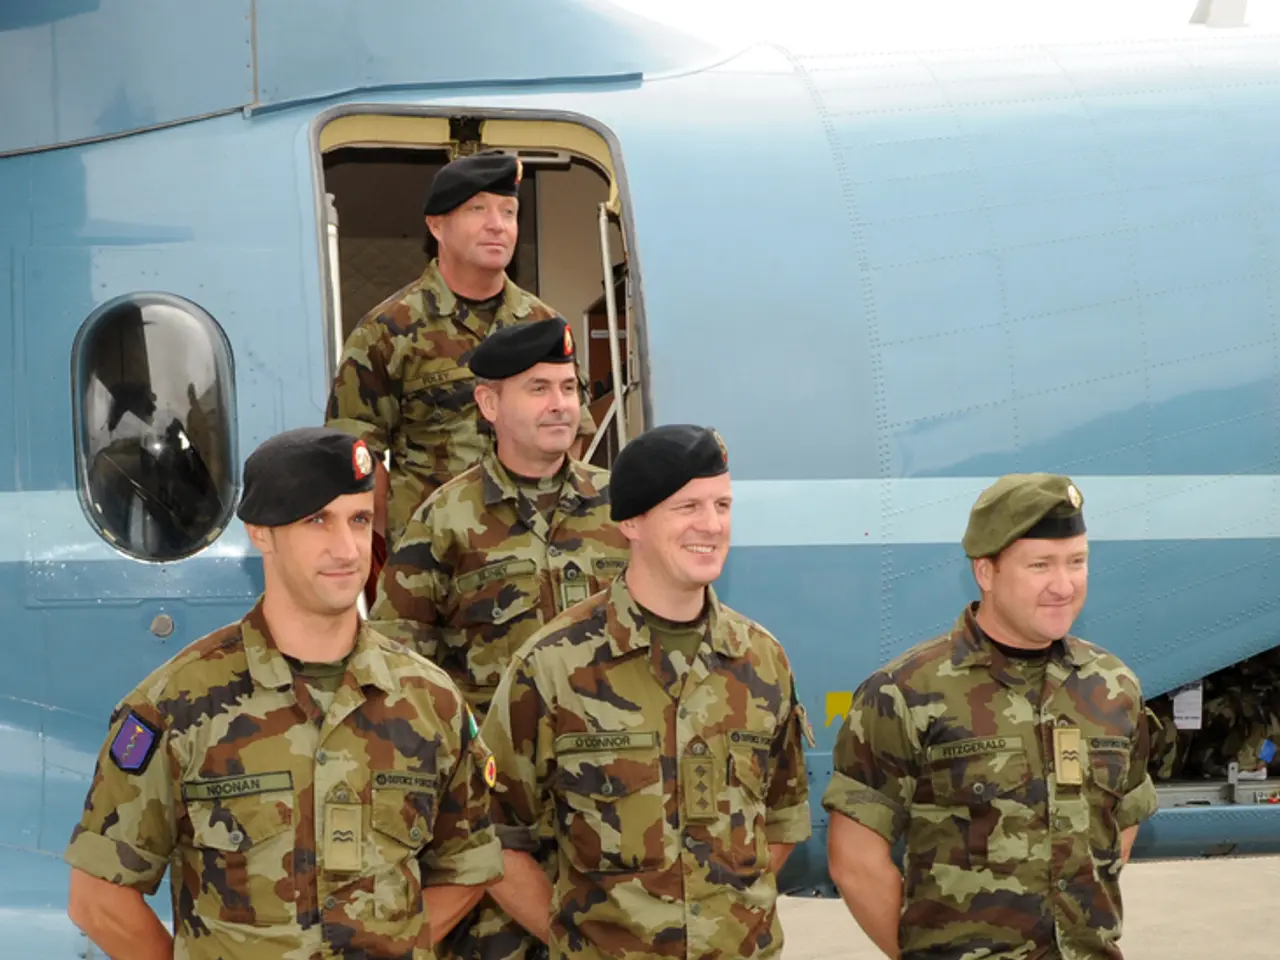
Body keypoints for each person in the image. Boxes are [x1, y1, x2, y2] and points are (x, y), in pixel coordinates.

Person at [63, 426, 504, 960]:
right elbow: (99, 899)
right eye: (317, 520)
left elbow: (468, 865)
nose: (346, 548)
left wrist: (399, 945)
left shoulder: (430, 701)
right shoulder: (176, 707)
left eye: (359, 519)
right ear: (261, 533)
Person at [479, 424, 816, 960]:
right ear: (631, 521)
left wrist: (720, 926)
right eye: (688, 507)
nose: (712, 525)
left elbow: (781, 820)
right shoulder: (553, 665)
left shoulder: (761, 660)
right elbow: (490, 836)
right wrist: (578, 943)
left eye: (722, 505)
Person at [370, 315, 630, 960]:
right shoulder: (444, 520)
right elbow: (395, 672)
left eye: (568, 387)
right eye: (538, 388)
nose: (560, 404)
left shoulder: (624, 510)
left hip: (616, 806)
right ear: (489, 404)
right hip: (493, 818)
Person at [823, 473, 1158, 960]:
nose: (1063, 585)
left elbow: (1121, 820)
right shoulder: (904, 692)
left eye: (1076, 562)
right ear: (986, 572)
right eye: (1040, 565)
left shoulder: (1113, 686)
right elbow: (854, 860)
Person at [325, 150, 597, 582]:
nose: (497, 224)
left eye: (508, 211)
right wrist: (405, 536)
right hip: (433, 566)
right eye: (478, 210)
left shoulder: (543, 325)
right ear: (436, 226)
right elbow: (355, 452)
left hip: (530, 559)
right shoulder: (388, 330)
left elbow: (572, 432)